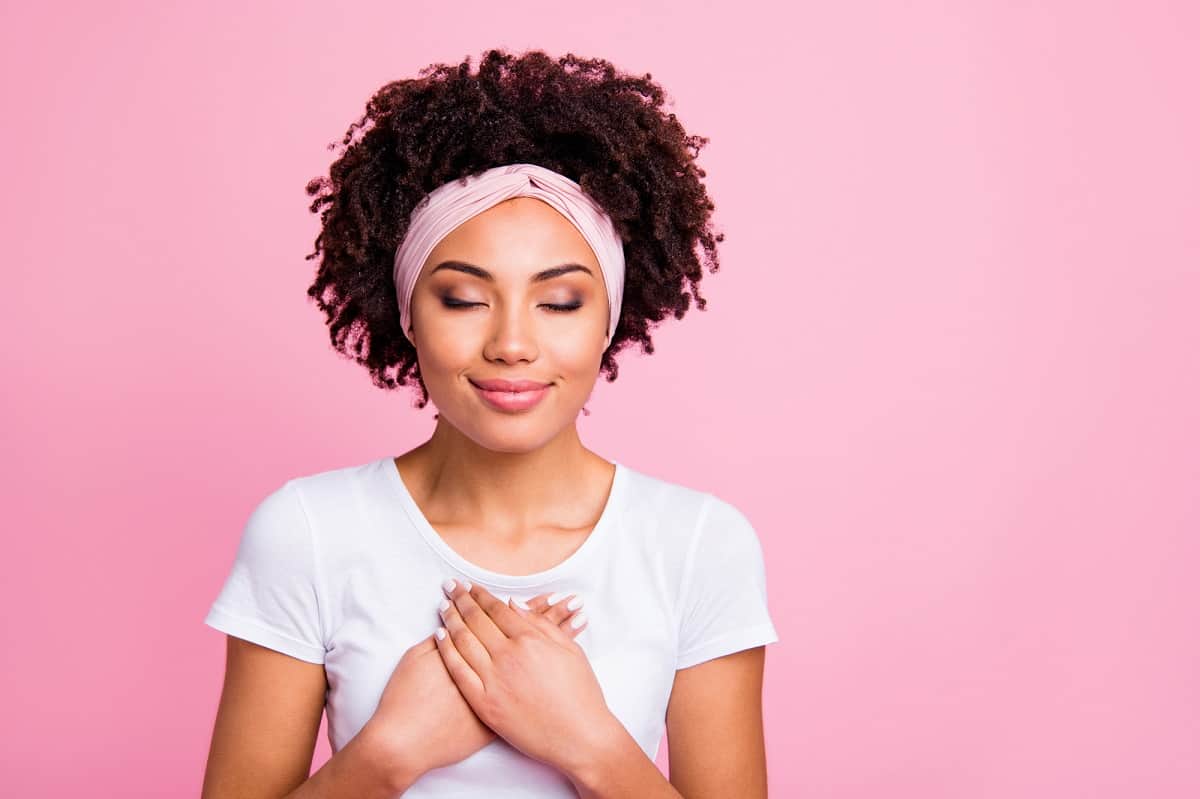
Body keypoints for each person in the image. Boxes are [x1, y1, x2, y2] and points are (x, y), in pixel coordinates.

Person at [201, 48, 779, 799]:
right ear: (407, 313)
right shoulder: (307, 531)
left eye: (561, 301)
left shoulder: (700, 544)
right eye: (464, 299)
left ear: (610, 318)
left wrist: (590, 743)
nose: (511, 342)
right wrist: (389, 752)